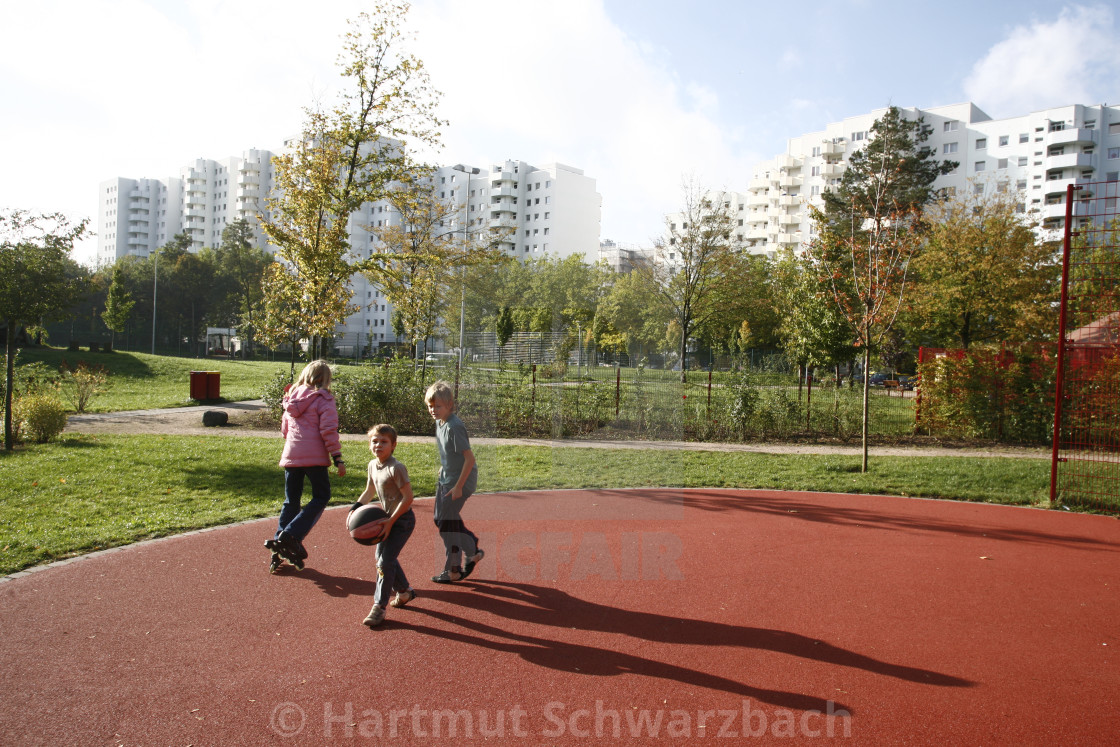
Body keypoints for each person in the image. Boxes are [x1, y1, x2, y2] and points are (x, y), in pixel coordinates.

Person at [266, 360, 345, 572]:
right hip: (315, 457)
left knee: (291, 500)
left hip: (292, 455)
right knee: (321, 496)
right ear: (326, 379)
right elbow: (328, 430)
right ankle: (291, 535)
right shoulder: (324, 399)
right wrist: (337, 458)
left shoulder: (291, 397)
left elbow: (284, 430)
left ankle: (278, 547)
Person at [350, 424, 417, 628]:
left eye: (384, 441)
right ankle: (405, 592)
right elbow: (369, 490)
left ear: (393, 445)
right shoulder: (372, 465)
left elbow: (408, 498)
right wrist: (354, 509)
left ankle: (379, 607)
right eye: (375, 441)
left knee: (384, 562)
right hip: (384, 519)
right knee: (383, 560)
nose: (378, 445)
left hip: (401, 521)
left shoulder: (396, 468)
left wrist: (391, 522)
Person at [425, 380, 484, 583]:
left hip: (460, 483)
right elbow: (450, 452)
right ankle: (472, 549)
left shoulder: (454, 427)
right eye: (430, 406)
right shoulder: (440, 422)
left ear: (450, 404)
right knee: (441, 519)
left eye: (438, 406)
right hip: (447, 478)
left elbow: (469, 458)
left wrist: (459, 486)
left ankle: (454, 569)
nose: (433, 410)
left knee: (447, 524)